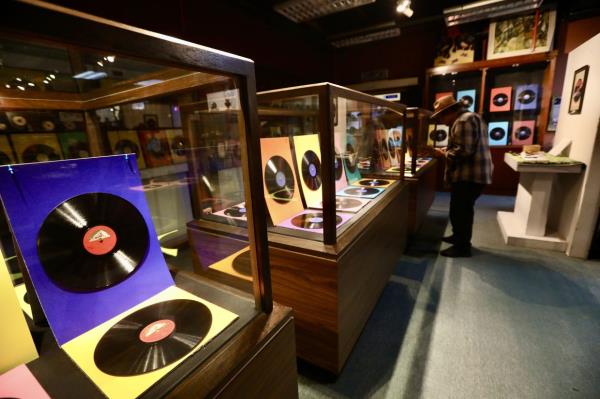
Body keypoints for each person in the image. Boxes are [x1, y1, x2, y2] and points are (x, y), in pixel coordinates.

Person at [431, 95, 493, 257]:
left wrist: (440, 154)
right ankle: (458, 237)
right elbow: (464, 146)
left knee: (461, 211)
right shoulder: (470, 117)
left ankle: (462, 247)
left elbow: (463, 151)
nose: (440, 120)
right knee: (460, 209)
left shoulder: (463, 121)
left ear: (450, 111)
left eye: (441, 116)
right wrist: (446, 151)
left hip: (469, 175)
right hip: (474, 174)